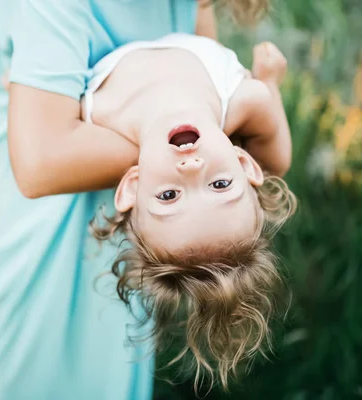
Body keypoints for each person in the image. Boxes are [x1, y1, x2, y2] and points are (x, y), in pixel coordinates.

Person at [0, 1, 269, 399]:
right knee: (37, 368)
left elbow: (203, 71)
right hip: (44, 228)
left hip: (133, 225)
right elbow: (40, 163)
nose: (193, 163)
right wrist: (205, 141)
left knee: (110, 355)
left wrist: (179, 154)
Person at [77, 35, 296, 389]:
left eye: (168, 195)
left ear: (133, 186)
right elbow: (277, 160)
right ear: (243, 163)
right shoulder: (244, 99)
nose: (192, 168)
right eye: (221, 185)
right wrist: (269, 82)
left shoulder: (95, 114)